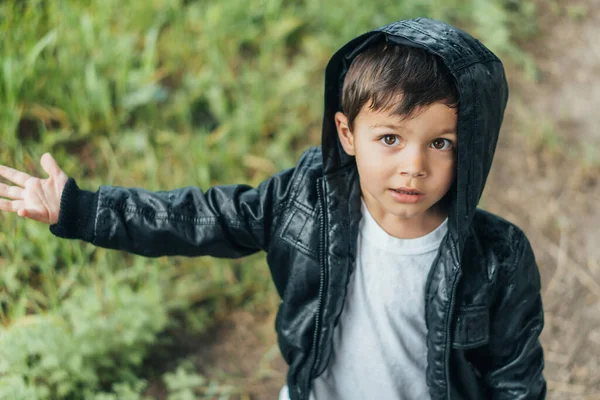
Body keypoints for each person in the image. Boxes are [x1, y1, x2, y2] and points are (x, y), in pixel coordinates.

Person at [0, 17, 545, 400]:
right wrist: (81, 211)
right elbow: (200, 218)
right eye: (390, 139)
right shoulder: (303, 201)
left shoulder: (498, 256)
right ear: (347, 132)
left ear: (471, 147)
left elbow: (515, 375)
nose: (413, 166)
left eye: (441, 143)